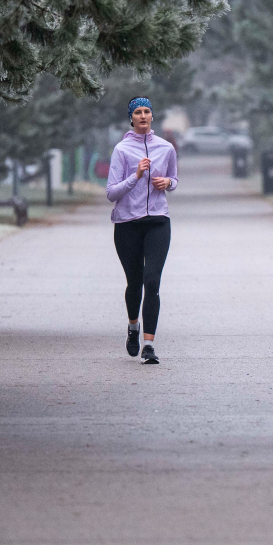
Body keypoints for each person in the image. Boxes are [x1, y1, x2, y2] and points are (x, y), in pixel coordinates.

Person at [106, 96, 178, 365]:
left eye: (147, 111)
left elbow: (174, 179)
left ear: (152, 116)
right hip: (127, 224)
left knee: (152, 281)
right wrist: (135, 176)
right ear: (131, 118)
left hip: (158, 221)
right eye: (138, 112)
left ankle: (149, 346)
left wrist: (167, 182)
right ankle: (133, 326)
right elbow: (111, 193)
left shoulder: (166, 148)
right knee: (135, 283)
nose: (143, 115)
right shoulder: (121, 150)